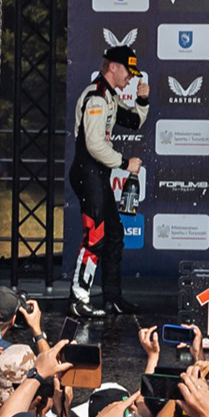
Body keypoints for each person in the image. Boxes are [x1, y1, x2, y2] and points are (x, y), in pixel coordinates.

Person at [71, 42, 146, 313]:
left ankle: (112, 299)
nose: (130, 78)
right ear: (113, 67)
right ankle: (78, 299)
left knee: (114, 235)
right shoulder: (97, 97)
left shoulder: (110, 97)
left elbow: (134, 122)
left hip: (98, 174)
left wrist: (142, 100)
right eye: (128, 72)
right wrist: (125, 163)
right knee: (95, 236)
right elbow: (94, 145)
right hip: (88, 171)